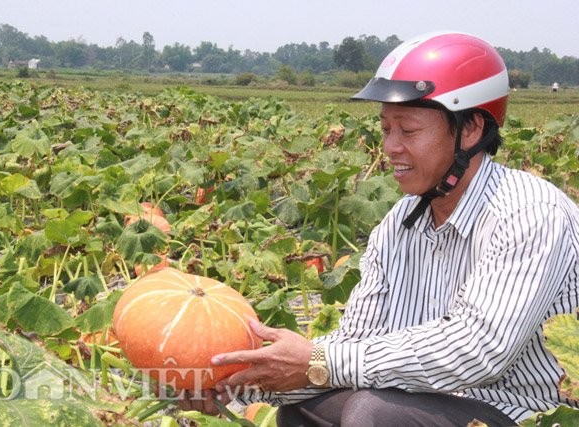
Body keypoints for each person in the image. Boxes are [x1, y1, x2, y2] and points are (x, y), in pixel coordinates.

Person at [180, 32, 579, 426]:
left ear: (471, 130)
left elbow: (477, 350)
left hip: (525, 413)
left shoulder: (528, 214)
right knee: (306, 408)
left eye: (408, 131)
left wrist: (318, 361)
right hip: (428, 406)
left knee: (372, 412)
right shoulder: (398, 224)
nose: (390, 146)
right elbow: (353, 343)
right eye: (386, 129)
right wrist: (236, 381)